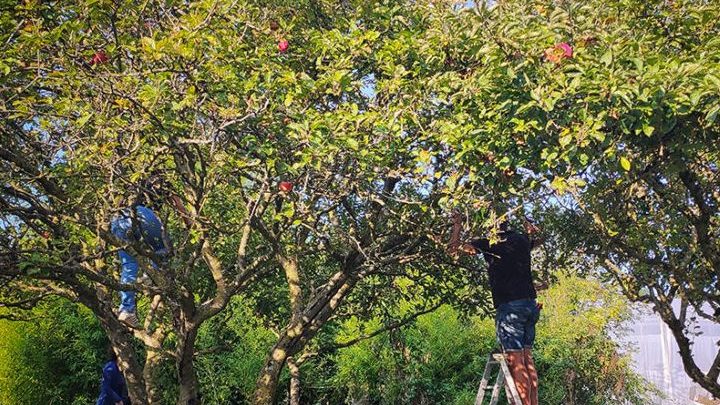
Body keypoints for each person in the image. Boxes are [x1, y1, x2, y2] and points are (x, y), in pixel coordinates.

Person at [449, 213, 544, 405]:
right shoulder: (520, 239)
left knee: (516, 363)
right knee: (527, 360)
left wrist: (457, 225)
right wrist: (530, 229)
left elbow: (453, 250)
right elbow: (538, 239)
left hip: (510, 308)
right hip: (529, 305)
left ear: (489, 226)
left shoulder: (488, 243)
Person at [111, 202, 170, 328]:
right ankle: (149, 277)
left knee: (128, 264)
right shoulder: (161, 182)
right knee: (163, 249)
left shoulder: (116, 187)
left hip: (117, 219)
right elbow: (178, 203)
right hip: (142, 214)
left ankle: (126, 310)